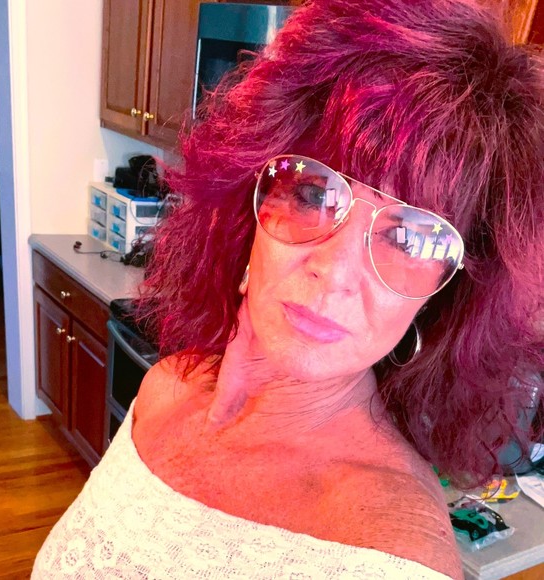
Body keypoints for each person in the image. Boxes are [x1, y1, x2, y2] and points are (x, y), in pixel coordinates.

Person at [33, 0, 544, 578]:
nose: (334, 270)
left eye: (410, 238)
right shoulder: (164, 388)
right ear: (247, 210)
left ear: (446, 295)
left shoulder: (395, 556)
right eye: (312, 194)